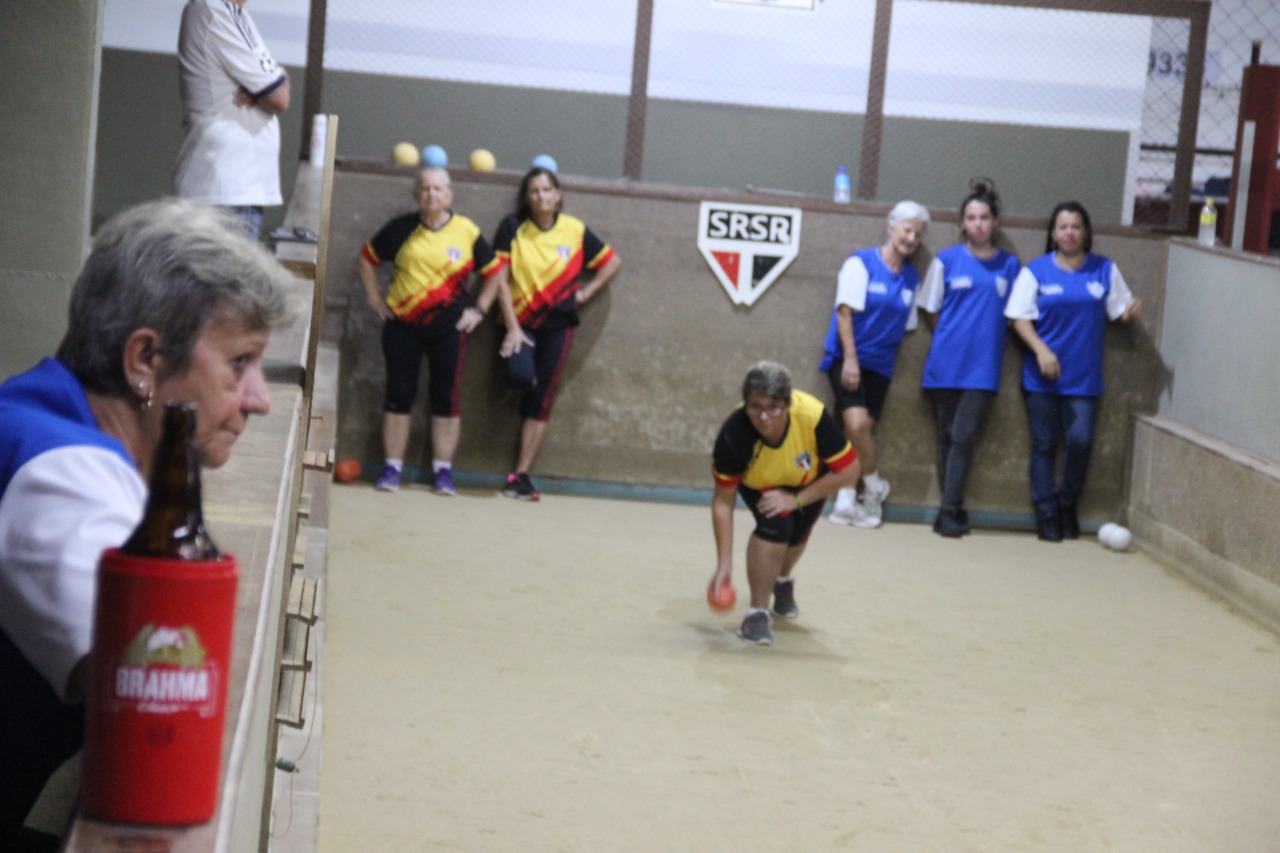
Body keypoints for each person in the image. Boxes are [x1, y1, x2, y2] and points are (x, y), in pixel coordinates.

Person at [0, 198, 294, 849]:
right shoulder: (62, 476)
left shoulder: (40, 411)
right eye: (239, 362)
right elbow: (151, 690)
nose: (261, 400)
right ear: (145, 361)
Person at [359, 167, 502, 495]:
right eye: (425, 189)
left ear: (449, 195)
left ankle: (443, 473)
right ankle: (393, 468)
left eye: (438, 189)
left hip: (449, 329)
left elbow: (495, 272)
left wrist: (479, 310)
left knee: (445, 399)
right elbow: (366, 259)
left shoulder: (466, 231)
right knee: (398, 395)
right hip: (402, 328)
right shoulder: (400, 229)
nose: (432, 195)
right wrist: (374, 298)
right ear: (416, 194)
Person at [482, 166, 621, 501]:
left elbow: (612, 262)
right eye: (534, 191)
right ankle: (524, 383)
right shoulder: (512, 228)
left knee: (541, 401)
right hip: (520, 325)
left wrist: (586, 294)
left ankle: (521, 475)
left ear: (558, 195)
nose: (541, 197)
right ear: (526, 198)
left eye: (547, 190)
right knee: (521, 376)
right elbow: (498, 278)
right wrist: (512, 326)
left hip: (558, 328)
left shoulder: (574, 231)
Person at [1005, 201, 1141, 542]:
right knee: (1044, 445)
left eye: (1076, 226)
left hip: (1084, 381)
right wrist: (1041, 350)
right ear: (1053, 233)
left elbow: (1119, 309)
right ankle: (1046, 511)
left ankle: (1067, 503)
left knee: (1080, 442)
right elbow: (1018, 317)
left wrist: (1129, 315)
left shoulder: (1104, 270)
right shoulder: (1035, 271)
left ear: (1086, 232)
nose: (1069, 233)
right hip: (1043, 380)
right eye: (1063, 227)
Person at [710, 362, 859, 646]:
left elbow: (850, 471)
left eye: (773, 407)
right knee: (776, 525)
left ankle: (783, 581)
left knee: (796, 536)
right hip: (760, 482)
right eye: (755, 407)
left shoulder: (812, 416)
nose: (764, 417)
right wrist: (724, 566)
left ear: (788, 404)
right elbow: (722, 503)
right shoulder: (734, 433)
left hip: (808, 480)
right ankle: (756, 614)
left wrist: (796, 499)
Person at [917, 180, 1021, 537]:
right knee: (947, 436)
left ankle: (947, 509)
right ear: (963, 223)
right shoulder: (946, 261)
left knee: (963, 435)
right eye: (971, 218)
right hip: (946, 364)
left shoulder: (1010, 266)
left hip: (984, 368)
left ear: (996, 223)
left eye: (984, 217)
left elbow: (1015, 315)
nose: (978, 224)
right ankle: (953, 508)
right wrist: (953, 337)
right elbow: (931, 309)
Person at [820, 200, 930, 529]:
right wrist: (851, 360)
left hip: (881, 367)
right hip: (847, 359)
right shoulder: (861, 264)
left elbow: (907, 326)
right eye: (907, 229)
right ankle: (872, 486)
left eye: (917, 234)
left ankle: (848, 497)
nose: (911, 238)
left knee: (862, 431)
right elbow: (844, 312)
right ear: (891, 227)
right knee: (855, 425)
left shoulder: (911, 277)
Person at [174, 0, 291, 239]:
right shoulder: (216, 9)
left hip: (230, 189)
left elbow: (276, 83)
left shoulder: (236, 15)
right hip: (226, 191)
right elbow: (279, 96)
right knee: (228, 276)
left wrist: (275, 79)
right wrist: (273, 82)